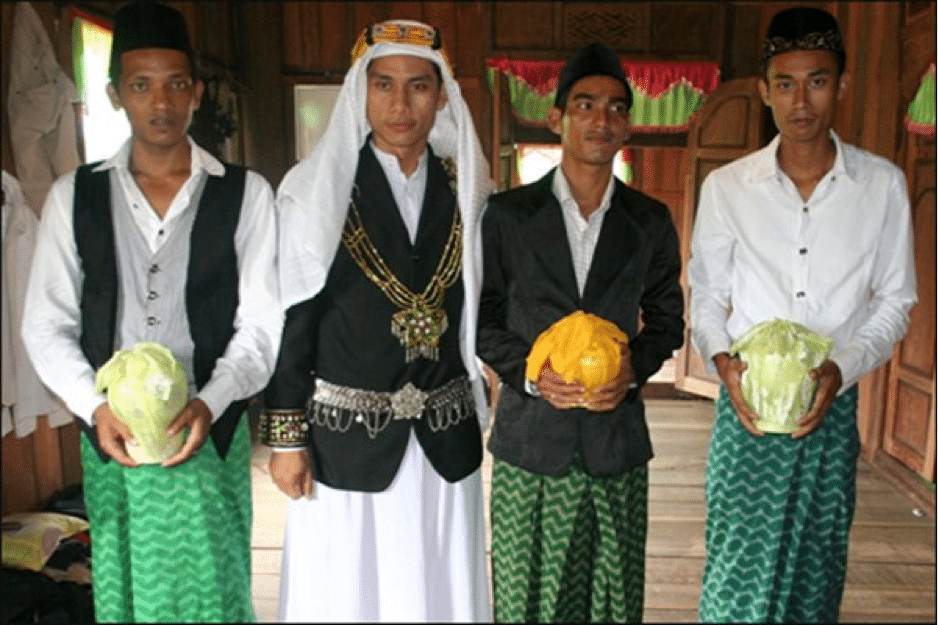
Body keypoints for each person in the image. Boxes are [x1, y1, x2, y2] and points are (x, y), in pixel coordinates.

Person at [20, 2, 283, 621]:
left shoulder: (246, 194)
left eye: (175, 84)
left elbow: (262, 323)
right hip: (114, 435)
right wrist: (96, 407)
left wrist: (210, 402)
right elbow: (45, 321)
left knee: (215, 590)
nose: (159, 102)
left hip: (208, 428)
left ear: (195, 92)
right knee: (126, 590)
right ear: (116, 95)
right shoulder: (74, 197)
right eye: (141, 85)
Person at [688, 7, 917, 623]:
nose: (801, 100)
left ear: (841, 85)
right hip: (746, 412)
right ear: (764, 91)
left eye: (817, 80)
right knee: (735, 567)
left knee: (815, 571)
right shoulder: (728, 187)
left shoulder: (883, 186)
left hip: (830, 409)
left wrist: (840, 369)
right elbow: (706, 294)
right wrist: (723, 363)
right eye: (784, 84)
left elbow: (895, 301)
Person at [261, 20, 492, 622]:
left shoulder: (468, 189)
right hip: (346, 437)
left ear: (442, 96)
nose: (400, 104)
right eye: (383, 85)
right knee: (348, 591)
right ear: (360, 93)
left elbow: (481, 302)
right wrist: (287, 438)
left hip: (444, 432)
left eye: (418, 87)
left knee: (438, 586)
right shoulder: (314, 189)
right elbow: (293, 318)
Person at [477, 42, 685, 623]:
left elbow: (667, 319)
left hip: (613, 442)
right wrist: (530, 376)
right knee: (525, 599)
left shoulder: (647, 221)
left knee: (611, 598)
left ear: (629, 122)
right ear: (557, 118)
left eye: (617, 107)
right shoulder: (510, 215)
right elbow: (483, 318)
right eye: (586, 104)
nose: (602, 119)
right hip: (530, 441)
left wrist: (631, 372)